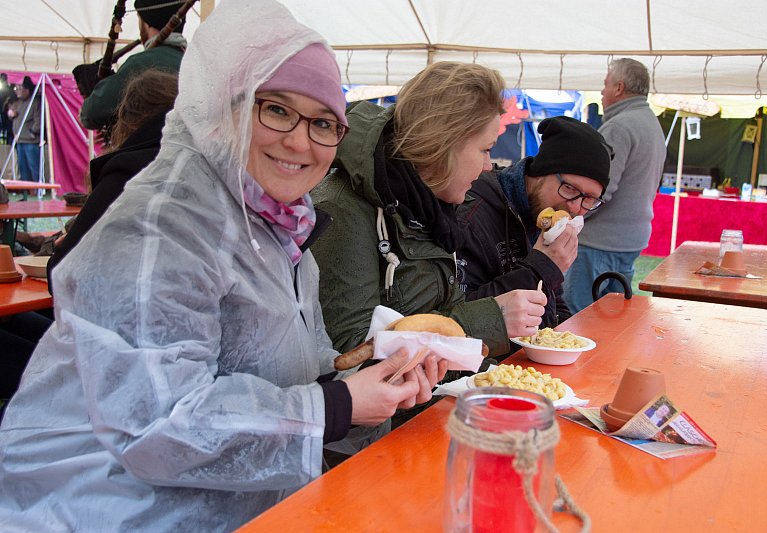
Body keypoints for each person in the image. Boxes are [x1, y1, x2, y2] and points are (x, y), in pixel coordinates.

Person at [0, 1, 445, 530]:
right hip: (95, 512)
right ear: (226, 110)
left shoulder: (282, 230)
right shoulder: (160, 228)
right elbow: (155, 426)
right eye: (276, 109)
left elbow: (293, 373)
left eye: (324, 123)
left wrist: (371, 380)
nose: (300, 140)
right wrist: (338, 405)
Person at [311, 62, 547, 361]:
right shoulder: (344, 210)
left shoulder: (433, 206)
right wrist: (490, 319)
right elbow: (349, 355)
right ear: (442, 145)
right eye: (485, 149)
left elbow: (439, 312)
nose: (489, 166)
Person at [456, 116, 612, 327]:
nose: (575, 208)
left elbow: (552, 301)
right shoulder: (471, 211)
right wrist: (543, 266)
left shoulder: (542, 215)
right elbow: (461, 315)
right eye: (569, 189)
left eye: (590, 199)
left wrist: (567, 334)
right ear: (539, 173)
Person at [47, 69, 179, 290]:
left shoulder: (129, 172)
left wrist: (67, 246)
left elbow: (61, 274)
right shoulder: (202, 170)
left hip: (135, 308)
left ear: (127, 120)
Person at [562, 58, 666, 313]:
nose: (602, 91)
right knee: (611, 318)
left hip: (600, 242)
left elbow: (600, 190)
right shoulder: (651, 123)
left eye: (606, 84)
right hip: (629, 239)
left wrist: (569, 219)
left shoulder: (619, 126)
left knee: (577, 316)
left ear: (619, 88)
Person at [78, 0, 186, 131]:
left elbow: (90, 115)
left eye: (140, 19)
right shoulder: (195, 63)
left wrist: (99, 90)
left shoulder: (139, 64)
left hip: (151, 144)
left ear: (146, 23)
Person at [7, 76, 41, 183]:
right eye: (15, 88)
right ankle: (26, 189)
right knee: (23, 169)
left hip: (31, 141)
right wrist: (10, 114)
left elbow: (39, 121)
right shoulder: (18, 102)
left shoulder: (35, 102)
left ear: (27, 90)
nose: (16, 91)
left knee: (34, 168)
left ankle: (38, 189)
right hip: (20, 141)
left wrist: (32, 132)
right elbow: (11, 114)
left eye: (19, 88)